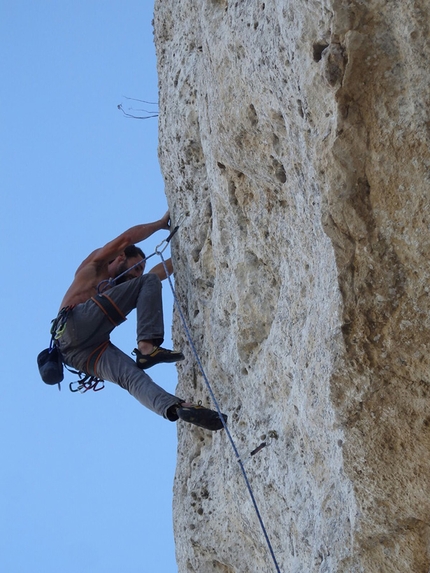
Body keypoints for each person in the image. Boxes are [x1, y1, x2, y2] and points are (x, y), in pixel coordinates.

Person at [55, 211, 226, 431]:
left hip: (77, 354)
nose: (137, 275)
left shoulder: (118, 288)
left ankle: (177, 407)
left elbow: (155, 274)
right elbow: (127, 241)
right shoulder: (94, 267)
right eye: (136, 267)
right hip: (73, 324)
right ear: (120, 257)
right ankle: (147, 348)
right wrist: (160, 224)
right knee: (149, 283)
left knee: (131, 377)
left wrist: (191, 250)